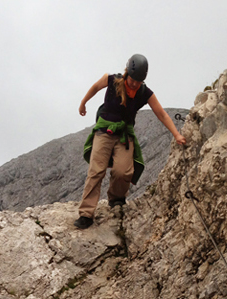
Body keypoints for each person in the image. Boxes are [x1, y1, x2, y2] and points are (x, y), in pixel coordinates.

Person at [74, 53, 186, 229]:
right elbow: (95, 87)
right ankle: (86, 214)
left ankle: (116, 199)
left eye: (138, 81)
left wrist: (177, 135)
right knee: (96, 170)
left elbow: (162, 114)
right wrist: (83, 103)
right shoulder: (111, 80)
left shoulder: (144, 92)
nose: (134, 83)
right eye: (133, 79)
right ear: (127, 73)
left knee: (123, 171)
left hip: (124, 135)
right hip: (104, 131)